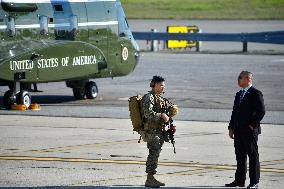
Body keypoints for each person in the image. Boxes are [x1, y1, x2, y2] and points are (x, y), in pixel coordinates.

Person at [226, 71, 265, 189]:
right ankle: (239, 180)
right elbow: (235, 112)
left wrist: (252, 125)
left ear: (248, 79)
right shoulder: (239, 94)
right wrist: (231, 127)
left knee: (253, 156)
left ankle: (254, 182)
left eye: (240, 77)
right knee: (240, 156)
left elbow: (261, 111)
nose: (238, 80)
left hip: (249, 131)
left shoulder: (255, 93)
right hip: (238, 130)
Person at [141, 75, 175, 188]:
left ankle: (151, 178)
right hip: (151, 131)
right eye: (161, 85)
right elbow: (148, 113)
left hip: (159, 131)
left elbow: (165, 115)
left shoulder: (160, 98)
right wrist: (162, 115)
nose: (163, 87)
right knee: (154, 153)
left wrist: (170, 118)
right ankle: (150, 178)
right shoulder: (149, 97)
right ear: (153, 85)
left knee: (156, 153)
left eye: (164, 85)